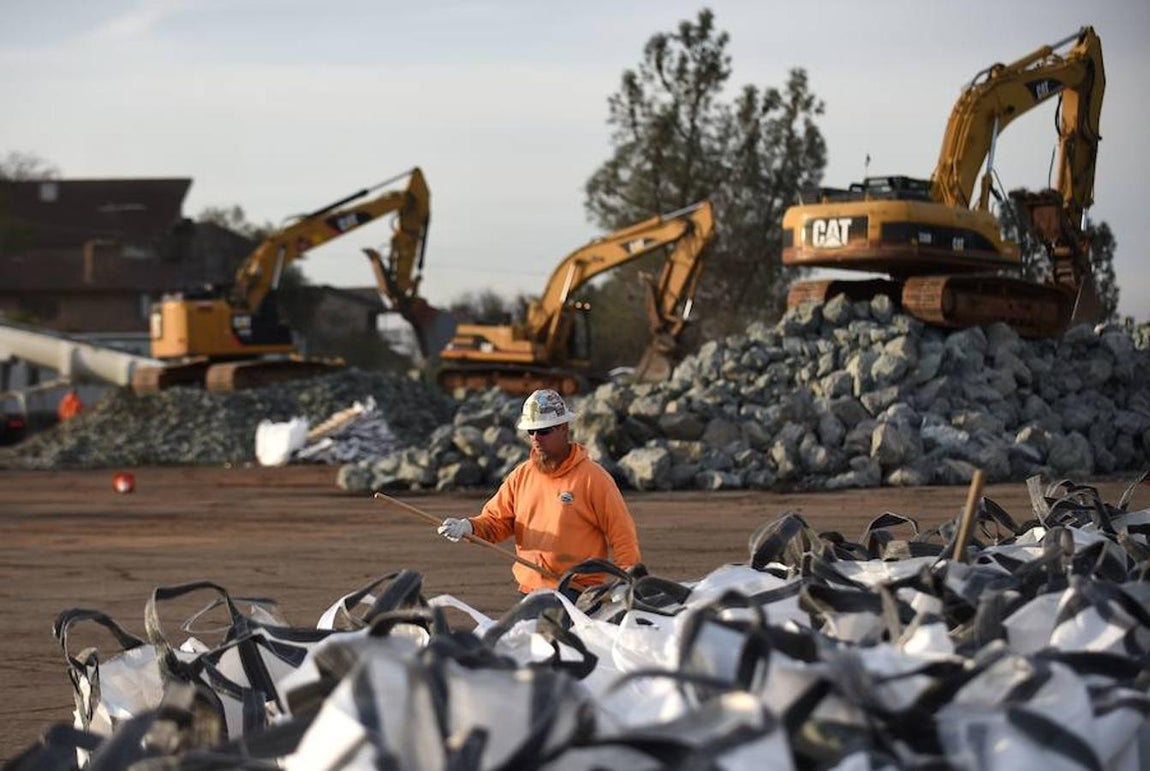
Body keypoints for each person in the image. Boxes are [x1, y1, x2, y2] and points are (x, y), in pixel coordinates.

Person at [437, 388, 641, 596]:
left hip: (577, 592)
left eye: (543, 431)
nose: (536, 438)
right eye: (531, 432)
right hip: (531, 591)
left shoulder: (593, 478)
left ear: (563, 428)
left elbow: (621, 532)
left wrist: (628, 578)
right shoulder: (521, 476)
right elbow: (495, 522)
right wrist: (468, 527)